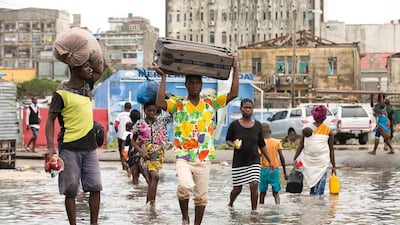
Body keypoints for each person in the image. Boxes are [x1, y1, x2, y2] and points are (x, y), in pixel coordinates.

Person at [154, 55, 239, 225]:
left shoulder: (210, 103)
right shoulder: (178, 104)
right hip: (183, 156)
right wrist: (163, 78)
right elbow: (159, 103)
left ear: (201, 85)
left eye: (197, 83)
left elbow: (233, 93)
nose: (194, 86)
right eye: (191, 83)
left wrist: (236, 68)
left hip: (204, 157)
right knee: (185, 187)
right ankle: (185, 217)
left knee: (201, 197)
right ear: (186, 85)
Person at [45, 60, 103, 225]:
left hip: (90, 147)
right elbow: (50, 120)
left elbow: (101, 67)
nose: (89, 69)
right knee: (70, 190)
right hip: (69, 147)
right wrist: (50, 148)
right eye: (85, 66)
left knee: (95, 187)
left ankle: (94, 223)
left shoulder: (87, 86)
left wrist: (88, 55)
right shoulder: (61, 93)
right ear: (74, 68)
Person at [225, 98, 273, 211]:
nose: (248, 110)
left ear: (253, 110)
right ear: (241, 109)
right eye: (245, 107)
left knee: (254, 184)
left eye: (250, 108)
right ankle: (231, 203)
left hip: (254, 160)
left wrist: (270, 160)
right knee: (237, 189)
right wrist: (232, 144)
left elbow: (262, 144)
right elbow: (228, 140)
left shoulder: (257, 126)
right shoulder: (234, 125)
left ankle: (254, 211)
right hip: (239, 162)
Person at [131, 102, 172, 206]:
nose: (151, 113)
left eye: (154, 110)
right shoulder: (140, 124)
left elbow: (172, 116)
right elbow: (132, 141)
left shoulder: (161, 121)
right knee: (155, 176)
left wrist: (166, 101)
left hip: (158, 155)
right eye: (149, 110)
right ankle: (151, 204)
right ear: (144, 111)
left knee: (151, 180)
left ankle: (150, 205)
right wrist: (141, 151)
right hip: (145, 155)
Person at [293, 105, 336, 195]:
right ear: (324, 117)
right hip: (321, 163)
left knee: (313, 187)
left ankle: (314, 205)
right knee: (320, 189)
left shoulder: (307, 129)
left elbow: (301, 145)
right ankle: (318, 205)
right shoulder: (327, 130)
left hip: (312, 162)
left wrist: (295, 158)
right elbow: (331, 149)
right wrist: (333, 166)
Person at [259, 123, 288, 205]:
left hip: (263, 170)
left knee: (262, 192)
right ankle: (277, 206)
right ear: (270, 131)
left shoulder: (260, 143)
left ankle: (260, 207)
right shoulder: (276, 142)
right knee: (276, 193)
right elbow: (282, 158)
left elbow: (257, 158)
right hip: (275, 170)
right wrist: (285, 172)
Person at [114, 102, 132, 169]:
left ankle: (124, 166)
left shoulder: (120, 115)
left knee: (122, 151)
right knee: (129, 151)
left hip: (121, 136)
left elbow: (116, 125)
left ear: (124, 107)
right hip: (130, 136)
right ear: (130, 108)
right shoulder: (131, 115)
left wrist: (118, 132)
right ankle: (129, 165)